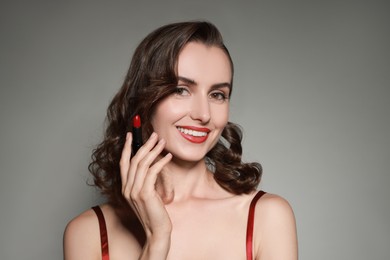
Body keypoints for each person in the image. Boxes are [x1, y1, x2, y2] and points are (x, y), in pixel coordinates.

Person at [63, 21, 298, 260]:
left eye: (217, 95)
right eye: (181, 90)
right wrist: (157, 239)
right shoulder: (88, 233)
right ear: (144, 100)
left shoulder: (267, 217)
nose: (204, 114)